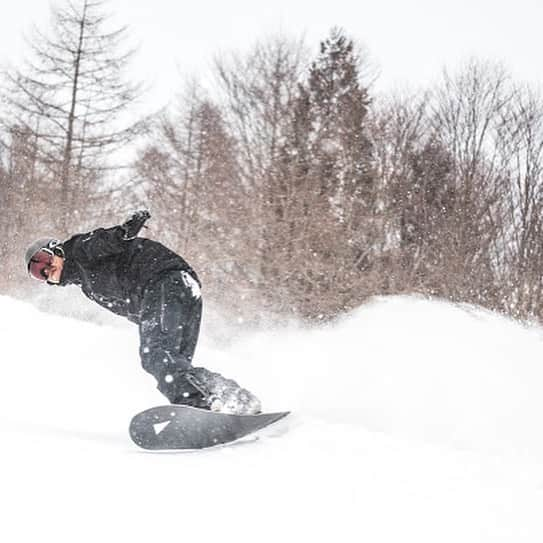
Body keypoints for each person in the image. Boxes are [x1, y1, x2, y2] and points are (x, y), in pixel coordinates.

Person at [24, 210, 261, 415]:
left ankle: (202, 403)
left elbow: (103, 242)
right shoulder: (87, 285)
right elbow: (130, 306)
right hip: (184, 289)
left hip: (162, 282)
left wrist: (123, 232)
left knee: (155, 355)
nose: (46, 269)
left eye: (43, 259)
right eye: (39, 273)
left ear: (56, 250)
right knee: (173, 364)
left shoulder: (78, 251)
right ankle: (228, 400)